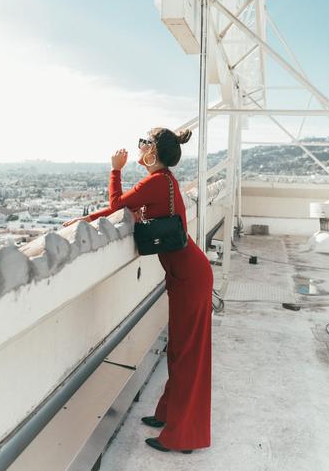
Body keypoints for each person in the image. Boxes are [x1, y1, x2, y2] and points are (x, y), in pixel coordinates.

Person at [63, 127, 213, 454]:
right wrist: (88, 218)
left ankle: (183, 436)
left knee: (188, 354)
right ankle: (170, 415)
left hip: (189, 275)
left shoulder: (158, 182)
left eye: (144, 142)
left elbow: (117, 205)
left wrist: (115, 169)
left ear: (154, 153)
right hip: (186, 272)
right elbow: (129, 207)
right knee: (179, 349)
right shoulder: (165, 181)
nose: (139, 146)